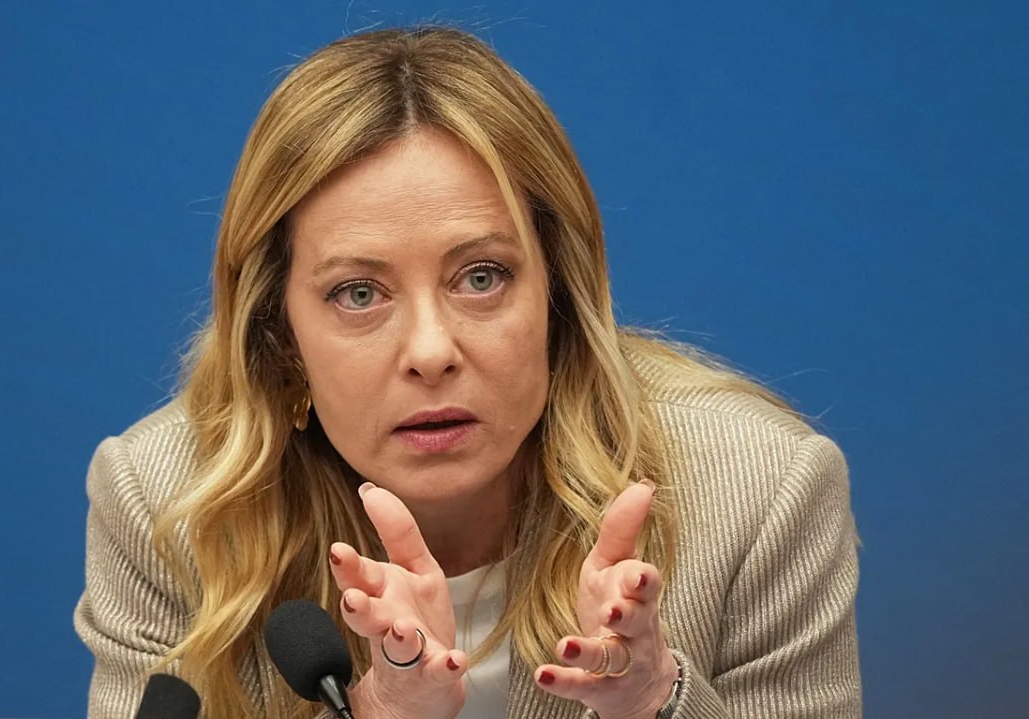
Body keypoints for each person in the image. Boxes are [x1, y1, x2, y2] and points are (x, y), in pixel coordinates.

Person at [73, 25, 861, 719]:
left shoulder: (759, 493)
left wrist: (656, 700)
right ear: (280, 333)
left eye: (481, 276)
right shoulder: (168, 508)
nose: (431, 350)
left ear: (558, 290)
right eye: (358, 293)